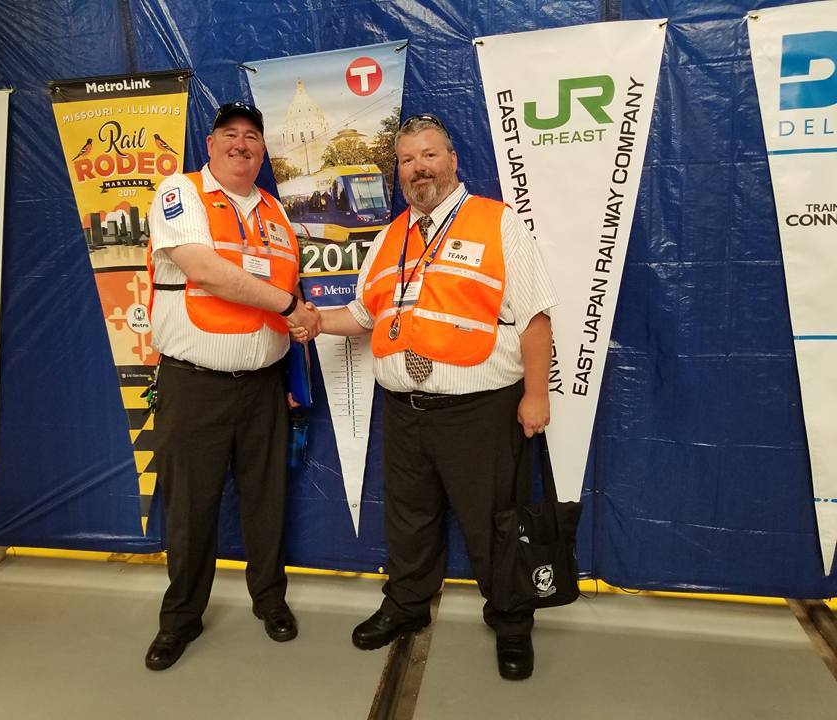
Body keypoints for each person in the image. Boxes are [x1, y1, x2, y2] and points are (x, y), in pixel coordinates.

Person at [294, 114, 558, 681]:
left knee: (495, 522)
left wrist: (536, 395)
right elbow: (365, 315)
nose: (419, 168)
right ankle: (407, 605)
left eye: (429, 155)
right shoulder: (390, 237)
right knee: (408, 519)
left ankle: (511, 621)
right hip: (405, 412)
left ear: (452, 160)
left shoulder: (497, 222)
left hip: (480, 411)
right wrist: (316, 322)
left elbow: (536, 317)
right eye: (408, 159)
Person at [143, 101, 320, 671]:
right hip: (195, 385)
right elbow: (206, 271)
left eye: (252, 136)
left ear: (263, 150)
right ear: (211, 144)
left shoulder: (274, 209)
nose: (241, 144)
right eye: (230, 134)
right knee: (191, 508)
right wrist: (290, 307)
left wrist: (294, 364)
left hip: (264, 385)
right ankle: (180, 620)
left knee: (267, 501)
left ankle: (270, 600)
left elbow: (288, 288)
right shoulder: (182, 192)